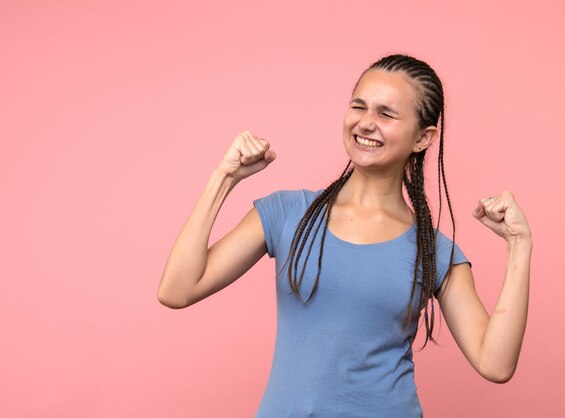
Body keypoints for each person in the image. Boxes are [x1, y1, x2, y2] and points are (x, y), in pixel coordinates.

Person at [157, 54, 532, 418]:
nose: (366, 123)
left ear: (423, 137)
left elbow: (494, 363)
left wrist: (519, 244)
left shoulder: (433, 251)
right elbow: (177, 290)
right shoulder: (287, 213)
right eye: (359, 106)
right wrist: (224, 178)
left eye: (386, 114)